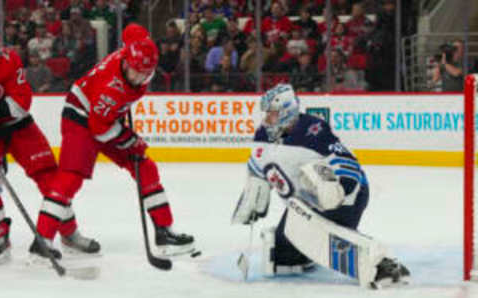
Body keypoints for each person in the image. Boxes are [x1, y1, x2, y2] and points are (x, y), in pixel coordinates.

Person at [30, 23, 195, 261]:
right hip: (81, 119)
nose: (135, 77)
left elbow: (132, 29)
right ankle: (42, 239)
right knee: (70, 179)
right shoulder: (112, 88)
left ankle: (164, 230)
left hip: (106, 118)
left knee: (145, 167)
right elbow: (99, 128)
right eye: (132, 71)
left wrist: (140, 40)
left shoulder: (136, 50)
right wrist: (130, 139)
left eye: (142, 74)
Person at [231, 84, 410, 288]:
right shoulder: (263, 135)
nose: (266, 119)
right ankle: (308, 251)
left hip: (345, 199)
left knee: (313, 235)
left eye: (271, 114)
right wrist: (254, 193)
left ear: (286, 112)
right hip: (305, 204)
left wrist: (338, 190)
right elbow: (257, 167)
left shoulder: (313, 130)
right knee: (283, 257)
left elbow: (346, 162)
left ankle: (380, 263)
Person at [0, 39, 89, 264]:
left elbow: (22, 102)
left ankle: (68, 233)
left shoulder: (9, 59)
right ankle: (0, 236)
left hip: (19, 127)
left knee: (52, 179)